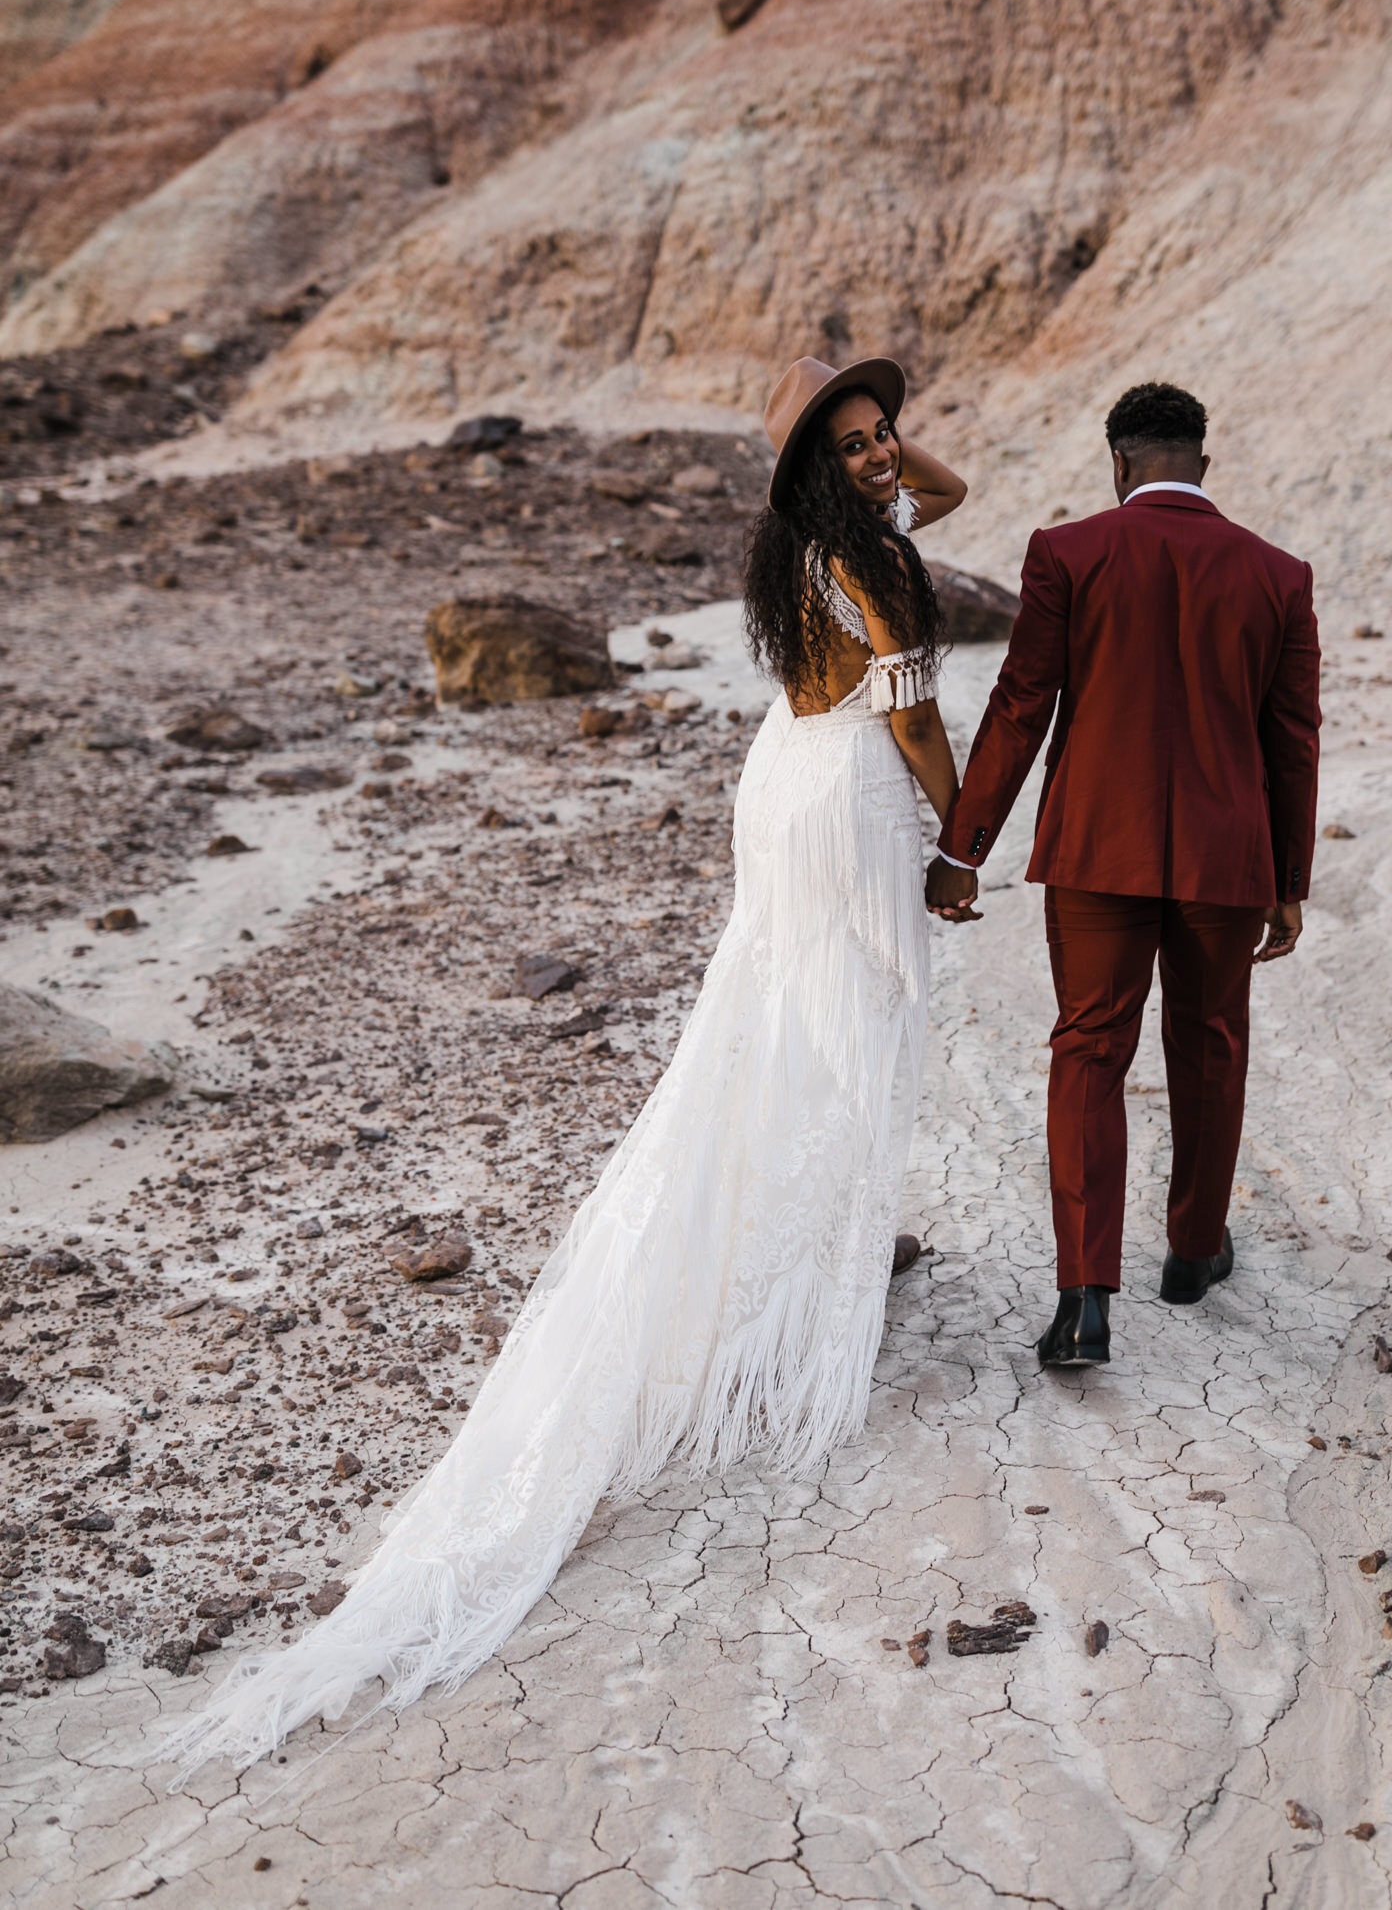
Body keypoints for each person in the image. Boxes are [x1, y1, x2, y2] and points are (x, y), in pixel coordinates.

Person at [159, 355, 967, 1775]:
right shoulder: (872, 567)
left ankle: (800, 1250)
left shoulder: (794, 552)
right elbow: (911, 725)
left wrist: (898, 464)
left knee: (771, 1031)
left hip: (777, 784)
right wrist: (958, 842)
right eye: (849, 446)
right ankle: (812, 1280)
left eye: (881, 431)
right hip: (842, 798)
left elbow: (941, 497)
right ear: (806, 473)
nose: (883, 456)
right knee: (849, 1032)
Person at [926, 382, 1321, 1368]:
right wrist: (1289, 877)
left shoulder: (1067, 553)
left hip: (1096, 848)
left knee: (1088, 1047)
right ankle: (1191, 1252)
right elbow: (1291, 743)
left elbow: (1020, 705)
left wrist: (961, 846)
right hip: (1226, 857)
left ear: (1117, 464)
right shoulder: (1278, 575)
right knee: (1209, 1042)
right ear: (1201, 462)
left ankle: (1082, 1299)